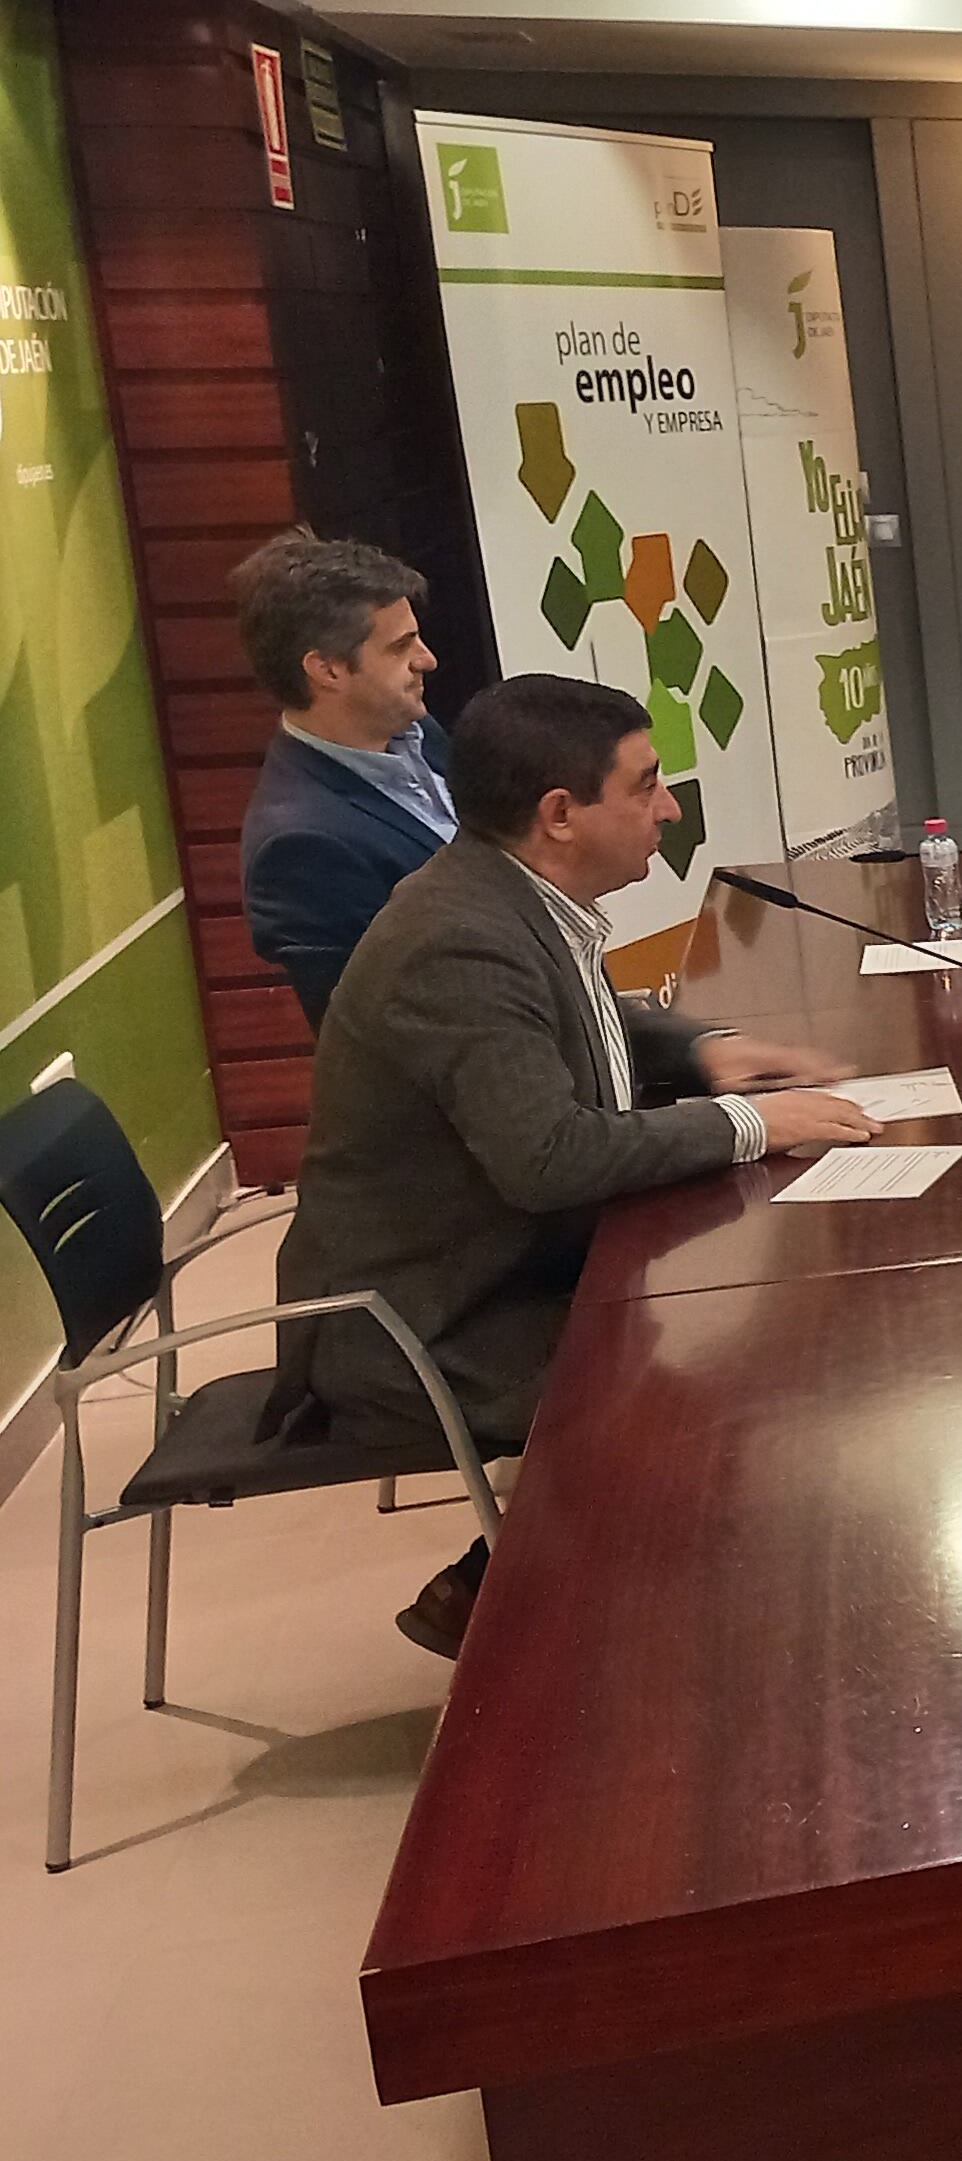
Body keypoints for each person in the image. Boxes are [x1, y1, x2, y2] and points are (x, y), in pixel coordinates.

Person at [276, 676, 879, 1659]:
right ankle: (576, 1668)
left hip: (495, 1265)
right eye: (647, 786)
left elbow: (575, 1023)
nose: (670, 807)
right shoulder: (461, 939)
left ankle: (509, 1591)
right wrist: (746, 1123)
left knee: (723, 1351)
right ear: (560, 815)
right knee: (704, 1393)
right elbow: (548, 1157)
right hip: (422, 1315)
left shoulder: (508, 894)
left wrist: (700, 1052)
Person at [232, 530, 453, 1028]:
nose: (427, 659)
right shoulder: (301, 847)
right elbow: (387, 1037)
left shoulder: (420, 731)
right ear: (328, 670)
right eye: (400, 647)